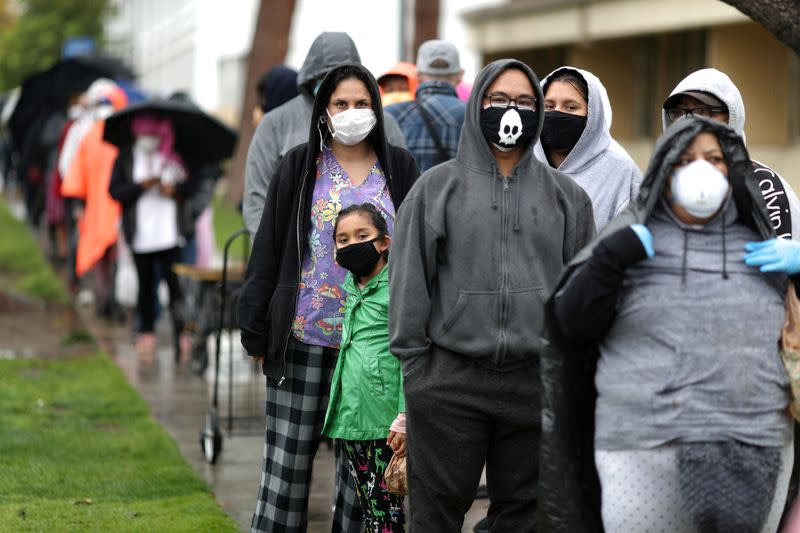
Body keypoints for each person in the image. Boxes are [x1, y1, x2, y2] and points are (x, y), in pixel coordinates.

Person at [541, 117, 795, 532]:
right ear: (663, 170)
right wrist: (608, 262)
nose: (701, 170)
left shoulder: (765, 245)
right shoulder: (627, 239)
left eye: (714, 159)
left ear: (732, 168)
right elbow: (570, 325)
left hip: (755, 447)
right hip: (642, 448)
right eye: (686, 160)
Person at [389, 58, 595, 531]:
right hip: (449, 383)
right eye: (498, 100)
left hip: (533, 383)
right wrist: (418, 373)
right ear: (476, 104)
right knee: (435, 516)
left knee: (523, 518)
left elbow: (580, 295)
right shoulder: (435, 188)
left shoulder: (568, 198)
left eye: (525, 102)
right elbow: (409, 286)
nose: (512, 111)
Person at [237, 62, 419, 533]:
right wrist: (255, 327)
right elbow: (270, 247)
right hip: (304, 339)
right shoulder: (299, 165)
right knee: (286, 471)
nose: (352, 112)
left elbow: (420, 252)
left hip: (372, 349)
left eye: (362, 103)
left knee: (362, 482)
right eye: (341, 104)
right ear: (323, 112)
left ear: (376, 110)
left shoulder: (399, 167)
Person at [242, 31, 407, 237]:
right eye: (325, 77)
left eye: (342, 75)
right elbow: (257, 198)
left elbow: (406, 197)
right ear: (311, 79)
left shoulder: (386, 125)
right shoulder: (276, 124)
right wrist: (274, 255)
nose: (335, 84)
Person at [322, 202, 407, 533]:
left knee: (387, 513)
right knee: (372, 511)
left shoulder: (396, 289)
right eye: (343, 240)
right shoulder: (351, 289)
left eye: (362, 235)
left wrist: (403, 416)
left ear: (384, 242)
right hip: (354, 420)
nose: (352, 244)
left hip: (384, 424)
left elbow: (408, 355)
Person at [662, 67, 800, 241]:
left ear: (732, 116)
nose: (689, 121)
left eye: (703, 111)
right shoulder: (660, 184)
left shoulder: (766, 189)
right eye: (679, 112)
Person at [108, 115, 191, 356]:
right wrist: (141, 186)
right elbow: (115, 191)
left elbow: (188, 189)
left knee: (175, 286)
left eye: (154, 136)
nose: (150, 141)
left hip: (169, 234)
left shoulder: (172, 154)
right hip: (141, 234)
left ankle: (181, 331)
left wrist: (172, 191)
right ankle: (146, 330)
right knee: (145, 286)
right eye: (145, 135)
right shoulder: (125, 157)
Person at [533, 66, 642, 231]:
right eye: (549, 106)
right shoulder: (523, 163)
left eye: (570, 107)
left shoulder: (621, 172)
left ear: (592, 115)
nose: (557, 113)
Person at [61, 81, 128, 318]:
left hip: (110, 206)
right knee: (104, 256)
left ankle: (110, 299)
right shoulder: (92, 135)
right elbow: (76, 171)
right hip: (101, 207)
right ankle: (107, 299)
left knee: (110, 257)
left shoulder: (116, 137)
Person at [385, 39, 466, 173]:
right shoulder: (473, 115)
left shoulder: (389, 115)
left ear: (417, 75)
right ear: (460, 75)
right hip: (456, 193)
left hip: (408, 194)